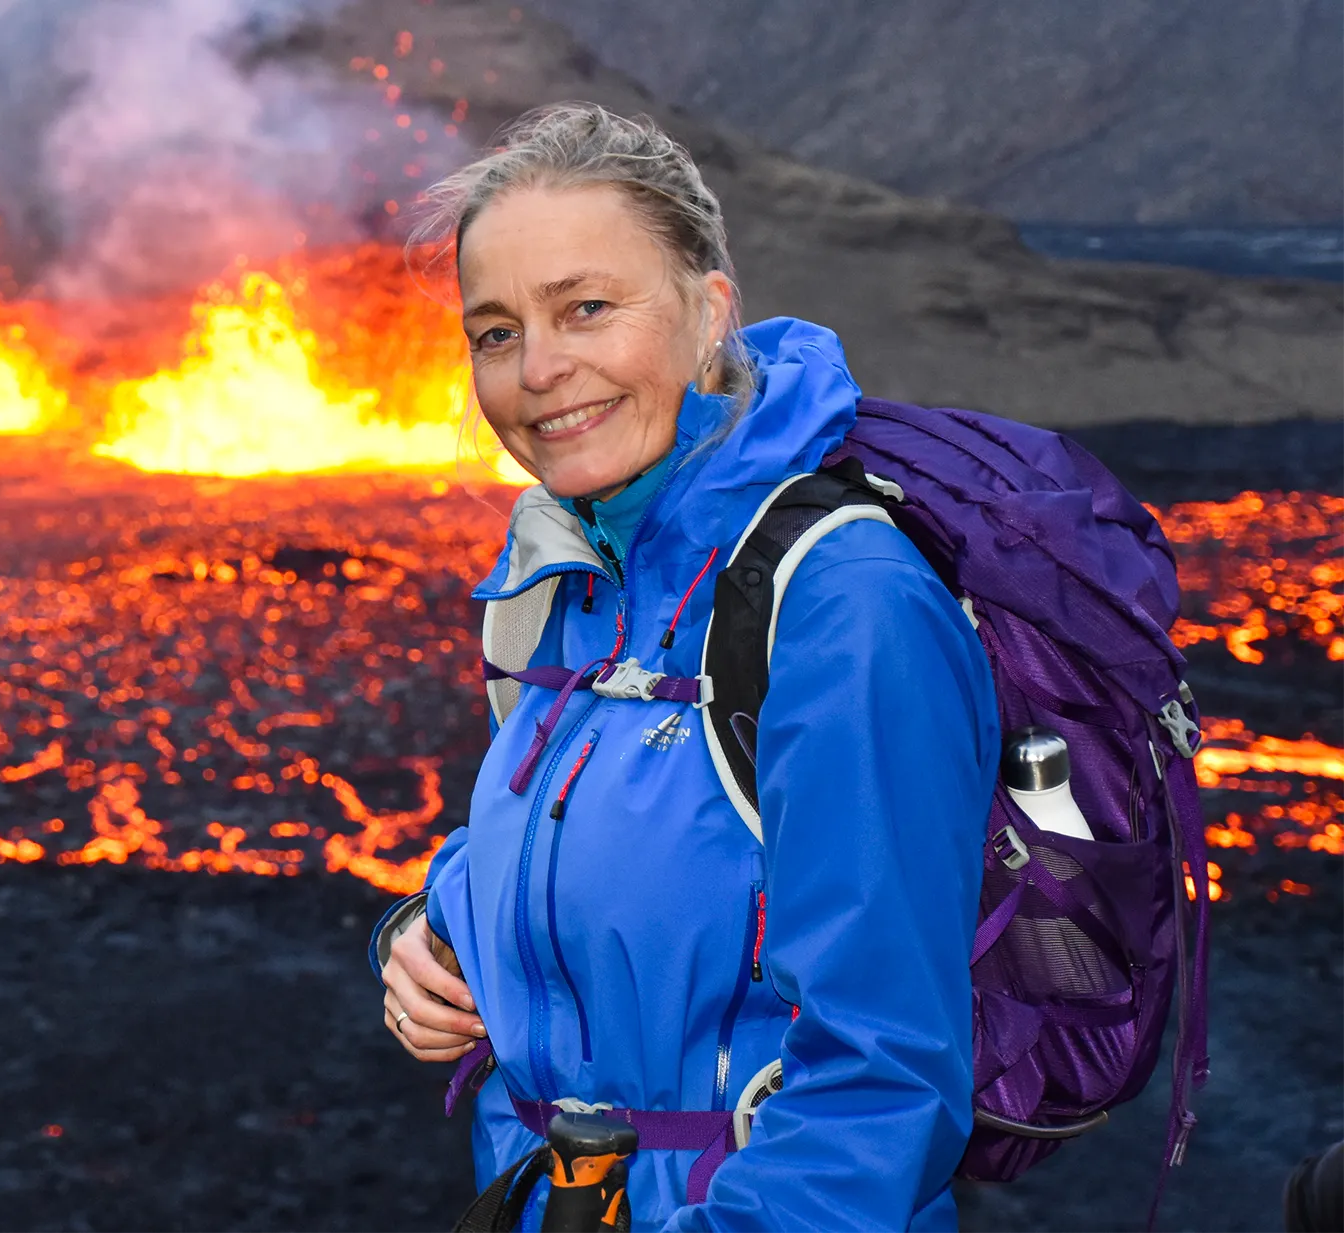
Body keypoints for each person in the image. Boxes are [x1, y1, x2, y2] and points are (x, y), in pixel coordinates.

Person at [373, 102, 1000, 1231]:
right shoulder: (572, 578)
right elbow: (628, 837)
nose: (540, 370)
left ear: (710, 311)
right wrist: (431, 929)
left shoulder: (842, 606)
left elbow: (881, 1085)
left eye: (587, 309)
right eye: (495, 332)